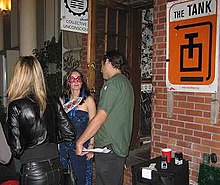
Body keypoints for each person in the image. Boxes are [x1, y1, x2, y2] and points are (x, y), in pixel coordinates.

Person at [6, 56, 76, 185]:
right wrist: (50, 138)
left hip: (33, 171)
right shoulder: (52, 100)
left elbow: (16, 149)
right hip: (56, 168)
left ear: (18, 77)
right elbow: (70, 133)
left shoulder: (16, 106)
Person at [76, 50, 134, 185]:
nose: (101, 70)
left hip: (109, 148)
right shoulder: (126, 83)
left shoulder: (112, 84)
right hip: (118, 147)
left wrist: (80, 142)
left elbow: (100, 117)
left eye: (101, 65)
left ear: (108, 62)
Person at [59, 69, 96, 185]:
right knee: (66, 179)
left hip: (81, 146)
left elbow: (93, 124)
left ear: (82, 82)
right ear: (68, 82)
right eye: (72, 79)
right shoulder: (62, 100)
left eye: (78, 79)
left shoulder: (88, 101)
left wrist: (91, 145)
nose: (75, 81)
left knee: (80, 179)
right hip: (64, 147)